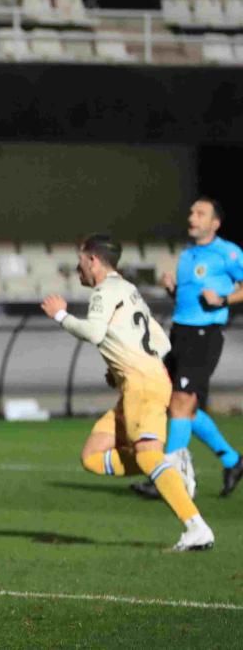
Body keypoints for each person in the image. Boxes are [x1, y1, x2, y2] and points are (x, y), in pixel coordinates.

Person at [41, 234, 214, 551]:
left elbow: (93, 332)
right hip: (140, 382)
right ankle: (169, 466)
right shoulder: (128, 290)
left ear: (93, 259)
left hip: (142, 384)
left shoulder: (105, 291)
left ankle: (196, 527)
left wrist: (60, 315)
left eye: (81, 259)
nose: (78, 267)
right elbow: (160, 341)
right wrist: (120, 366)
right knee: (92, 456)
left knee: (148, 454)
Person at [132, 198, 243, 500]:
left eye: (200, 213)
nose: (191, 217)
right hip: (179, 334)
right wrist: (173, 291)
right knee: (180, 408)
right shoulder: (187, 255)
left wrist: (223, 300)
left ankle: (167, 478)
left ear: (215, 223)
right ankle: (233, 461)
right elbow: (189, 298)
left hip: (204, 335)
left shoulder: (229, 252)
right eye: (191, 212)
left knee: (180, 403)